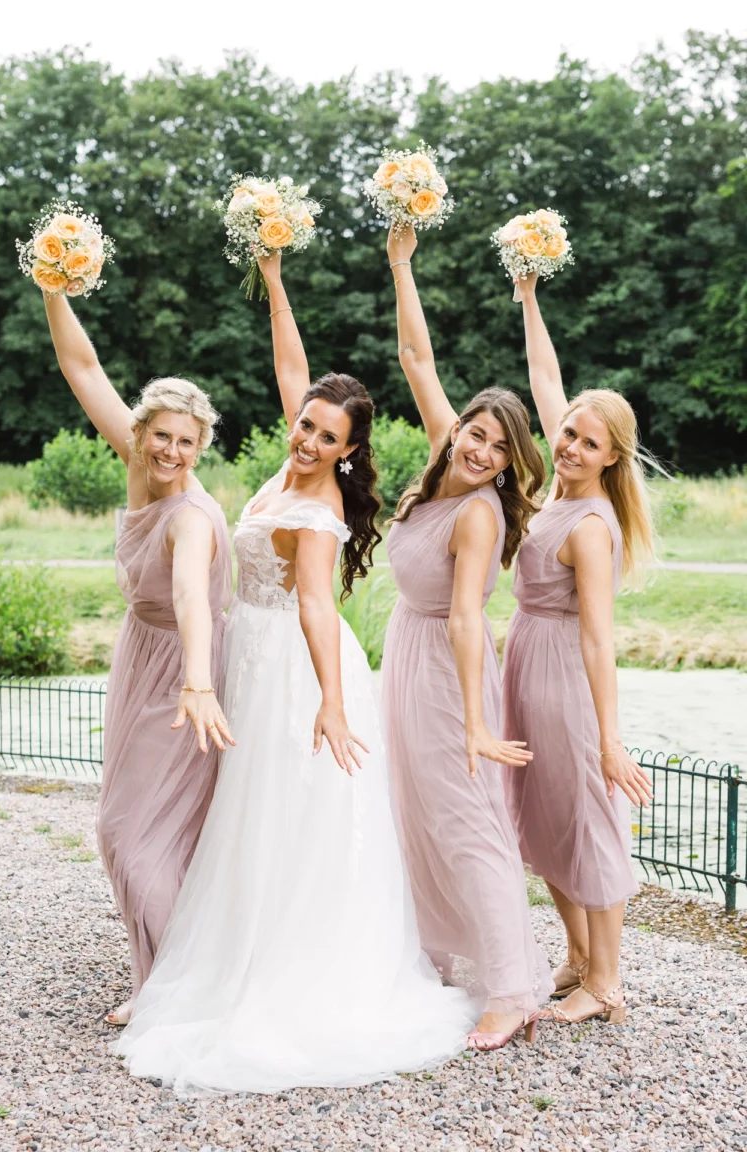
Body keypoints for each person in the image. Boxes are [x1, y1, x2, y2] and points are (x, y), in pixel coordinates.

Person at [115, 251, 474, 1094]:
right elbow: (292, 368)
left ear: (349, 453)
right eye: (304, 424)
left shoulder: (318, 510)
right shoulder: (287, 467)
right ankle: (222, 948)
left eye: (323, 435)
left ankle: (285, 970)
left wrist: (334, 705)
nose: (305, 437)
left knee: (284, 817)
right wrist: (274, 280)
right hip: (251, 651)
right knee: (242, 816)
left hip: (297, 670)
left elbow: (319, 610)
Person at [380, 224, 553, 1051]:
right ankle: (437, 950)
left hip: (452, 671)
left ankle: (513, 991)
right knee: (414, 811)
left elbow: (462, 616)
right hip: (407, 660)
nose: (482, 450)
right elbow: (418, 360)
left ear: (512, 462)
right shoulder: (441, 464)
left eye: (499, 446)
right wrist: (402, 265)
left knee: (466, 819)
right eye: (477, 434)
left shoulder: (480, 514)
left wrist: (479, 724)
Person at [41, 293, 233, 1027]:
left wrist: (198, 681)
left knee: (130, 832)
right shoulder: (139, 465)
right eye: (161, 437)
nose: (170, 453)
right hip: (141, 656)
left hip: (186, 674)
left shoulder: (188, 516)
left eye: (187, 443)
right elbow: (82, 365)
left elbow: (190, 596)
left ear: (201, 447)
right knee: (144, 829)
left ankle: (178, 986)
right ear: (141, 432)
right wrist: (54, 287)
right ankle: (166, 974)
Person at [503, 272, 655, 1027]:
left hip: (564, 676)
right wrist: (530, 297)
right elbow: (545, 378)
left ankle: (609, 984)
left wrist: (609, 738)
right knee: (539, 818)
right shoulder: (557, 490)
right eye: (568, 432)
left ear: (609, 458)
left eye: (586, 441)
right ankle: (575, 958)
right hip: (524, 664)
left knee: (586, 822)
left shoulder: (591, 526)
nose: (567, 444)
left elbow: (600, 636)